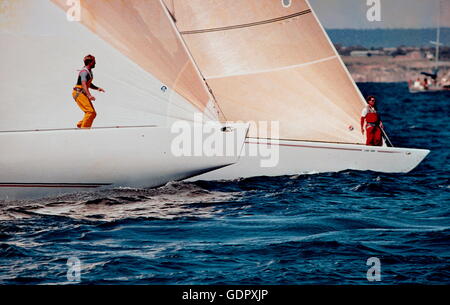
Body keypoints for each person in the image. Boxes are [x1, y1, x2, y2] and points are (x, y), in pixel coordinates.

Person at [72, 54, 105, 128]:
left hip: (81, 92)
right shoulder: (84, 72)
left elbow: (88, 84)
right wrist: (89, 95)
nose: (95, 63)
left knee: (93, 114)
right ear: (91, 62)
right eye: (94, 62)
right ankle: (84, 131)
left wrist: (97, 88)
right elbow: (84, 84)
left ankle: (81, 125)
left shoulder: (88, 71)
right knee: (90, 112)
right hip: (78, 92)